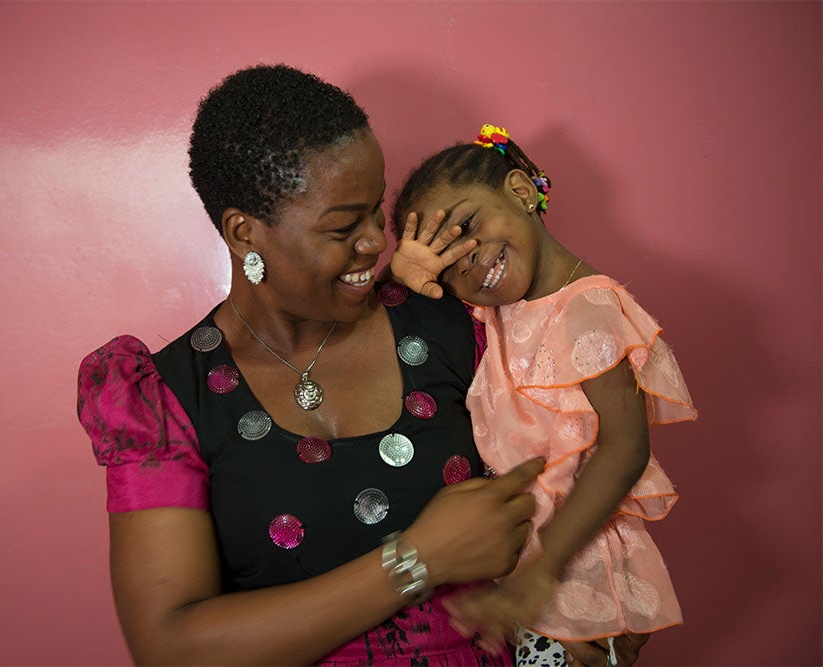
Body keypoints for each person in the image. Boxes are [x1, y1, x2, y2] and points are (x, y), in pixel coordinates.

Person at [76, 65, 546, 666]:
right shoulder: (169, 398)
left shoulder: (452, 323)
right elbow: (170, 647)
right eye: (344, 226)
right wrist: (417, 559)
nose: (378, 242)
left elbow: (573, 467)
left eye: (377, 211)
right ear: (245, 233)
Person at [389, 124, 698, 666]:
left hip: (574, 560)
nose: (470, 259)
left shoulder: (588, 305)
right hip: (529, 564)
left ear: (521, 192)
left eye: (467, 226)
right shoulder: (498, 307)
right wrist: (409, 274)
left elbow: (626, 449)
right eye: (447, 260)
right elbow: (425, 305)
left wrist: (540, 572)